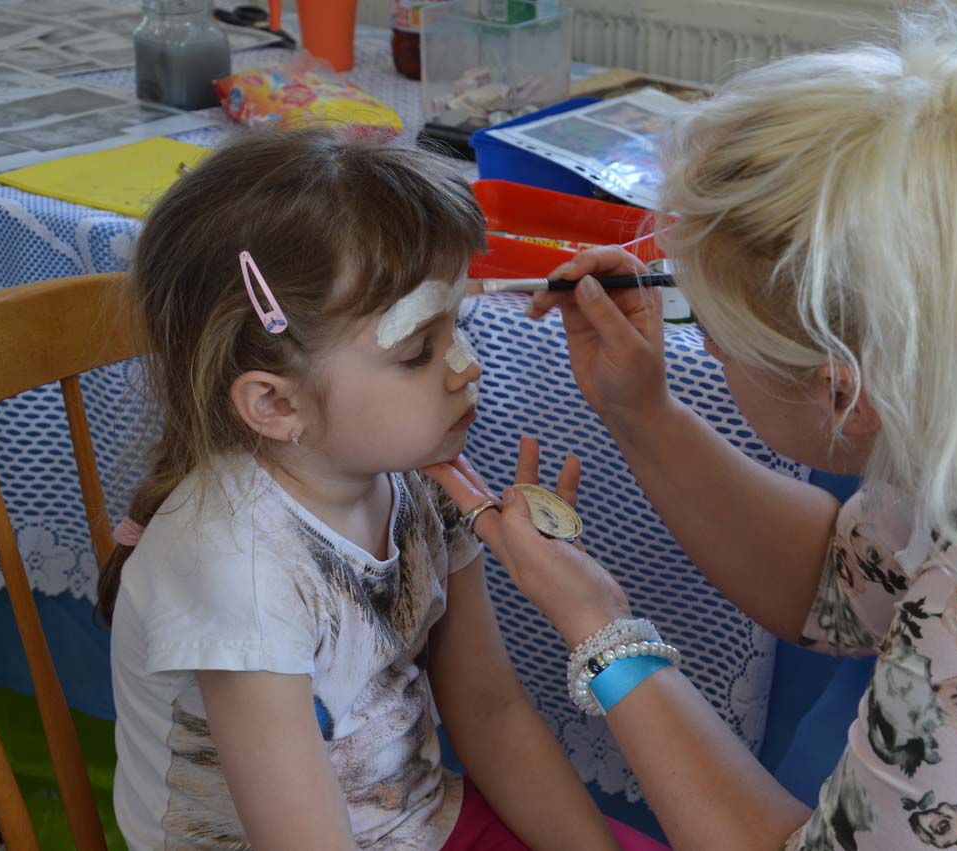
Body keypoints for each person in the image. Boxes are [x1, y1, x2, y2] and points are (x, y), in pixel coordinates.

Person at [423, 5, 957, 850]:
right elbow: (845, 588)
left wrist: (603, 629)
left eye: (708, 332)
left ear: (845, 394)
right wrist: (642, 411)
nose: (697, 341)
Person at [97, 129, 666, 851]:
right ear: (275, 403)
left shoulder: (425, 479)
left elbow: (491, 713)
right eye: (418, 351)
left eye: (458, 325)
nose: (466, 366)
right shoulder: (237, 569)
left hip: (418, 820)